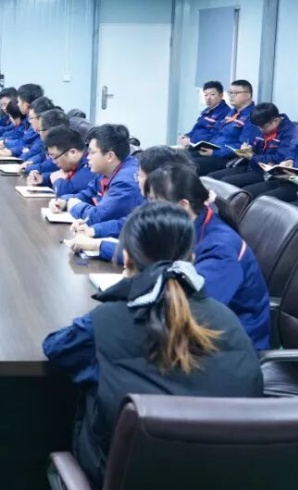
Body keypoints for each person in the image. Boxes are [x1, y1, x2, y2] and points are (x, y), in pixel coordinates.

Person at [43, 202, 263, 488]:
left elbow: (56, 348)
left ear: (126, 257)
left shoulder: (106, 322)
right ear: (191, 258)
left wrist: (121, 296)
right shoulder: (227, 319)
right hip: (221, 476)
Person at [143, 165, 270, 349]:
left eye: (155, 201)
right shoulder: (188, 225)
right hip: (201, 330)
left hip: (231, 346)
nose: (149, 209)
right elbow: (146, 252)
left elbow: (194, 310)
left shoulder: (221, 248)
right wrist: (101, 247)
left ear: (183, 205)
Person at [68, 145, 194, 261]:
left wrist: (97, 245)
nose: (136, 179)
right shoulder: (155, 199)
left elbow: (148, 254)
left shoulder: (175, 209)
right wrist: (93, 230)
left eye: (139, 175)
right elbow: (129, 223)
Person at [63, 124, 144, 225]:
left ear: (110, 156)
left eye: (92, 153)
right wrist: (65, 201)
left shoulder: (125, 182)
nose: (88, 157)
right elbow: (88, 194)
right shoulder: (107, 170)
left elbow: (97, 217)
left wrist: (75, 207)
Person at [205, 102, 298, 186]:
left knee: (226, 182)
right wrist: (247, 148)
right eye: (258, 127)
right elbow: (253, 143)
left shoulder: (291, 133)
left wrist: (252, 156)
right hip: (252, 165)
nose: (260, 130)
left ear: (275, 121)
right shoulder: (262, 125)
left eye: (263, 127)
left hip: (267, 173)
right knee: (211, 178)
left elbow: (278, 159)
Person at [190, 79, 256, 174]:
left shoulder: (252, 117)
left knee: (189, 164)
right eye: (230, 93)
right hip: (212, 151)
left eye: (236, 93)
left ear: (248, 95)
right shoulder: (232, 113)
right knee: (177, 157)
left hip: (227, 158)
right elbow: (217, 133)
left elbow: (243, 147)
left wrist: (215, 152)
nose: (231, 96)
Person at [43, 125, 97, 200]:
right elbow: (59, 174)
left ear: (72, 152)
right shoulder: (73, 163)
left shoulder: (90, 166)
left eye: (55, 157)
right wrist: (43, 179)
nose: (54, 162)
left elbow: (67, 191)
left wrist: (56, 181)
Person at [24, 108, 70, 183]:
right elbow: (43, 155)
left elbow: (51, 165)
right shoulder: (50, 144)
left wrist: (28, 167)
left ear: (48, 131)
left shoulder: (63, 149)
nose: (38, 133)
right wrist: (32, 161)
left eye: (39, 130)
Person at [179, 80, 230, 147]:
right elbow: (196, 128)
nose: (208, 98)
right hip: (193, 145)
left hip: (205, 148)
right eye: (206, 95)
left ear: (221, 95)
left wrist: (190, 140)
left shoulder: (226, 113)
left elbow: (213, 136)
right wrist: (186, 136)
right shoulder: (206, 111)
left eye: (212, 94)